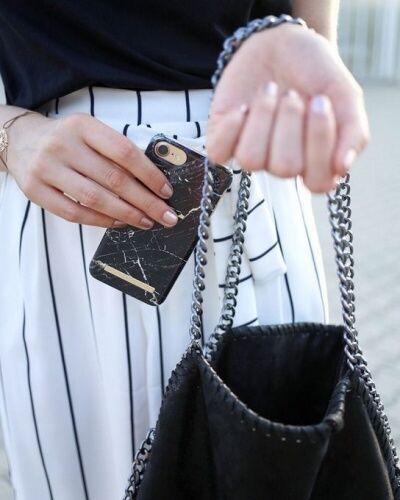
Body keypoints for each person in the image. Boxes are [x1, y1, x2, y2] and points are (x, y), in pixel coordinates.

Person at [0, 1, 369, 499]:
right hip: (69, 192)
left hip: (253, 161)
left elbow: (313, 33)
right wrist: (10, 136)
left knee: (277, 464)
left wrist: (316, 46)